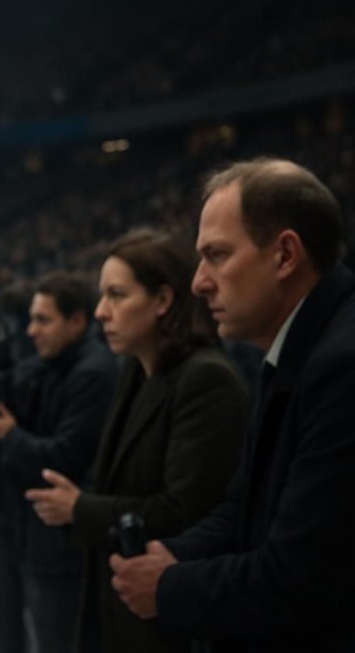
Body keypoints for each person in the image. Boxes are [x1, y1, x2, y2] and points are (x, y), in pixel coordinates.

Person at [109, 159, 355, 651]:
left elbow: (299, 579)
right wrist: (172, 554)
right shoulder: (296, 351)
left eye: (216, 255)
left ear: (285, 255)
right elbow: (245, 508)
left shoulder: (342, 367)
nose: (198, 283)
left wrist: (167, 587)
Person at [25, 229, 248, 653]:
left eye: (116, 295)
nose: (100, 312)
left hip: (166, 622)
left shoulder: (206, 381)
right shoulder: (136, 371)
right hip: (118, 607)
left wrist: (79, 508)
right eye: (102, 296)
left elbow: (188, 512)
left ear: (162, 300)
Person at [0, 271, 117, 653]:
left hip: (52, 527)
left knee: (51, 632)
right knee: (15, 626)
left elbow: (60, 457)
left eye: (41, 320)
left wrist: (8, 434)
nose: (31, 331)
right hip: (17, 514)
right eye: (30, 319)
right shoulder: (42, 366)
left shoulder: (88, 372)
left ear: (76, 321)